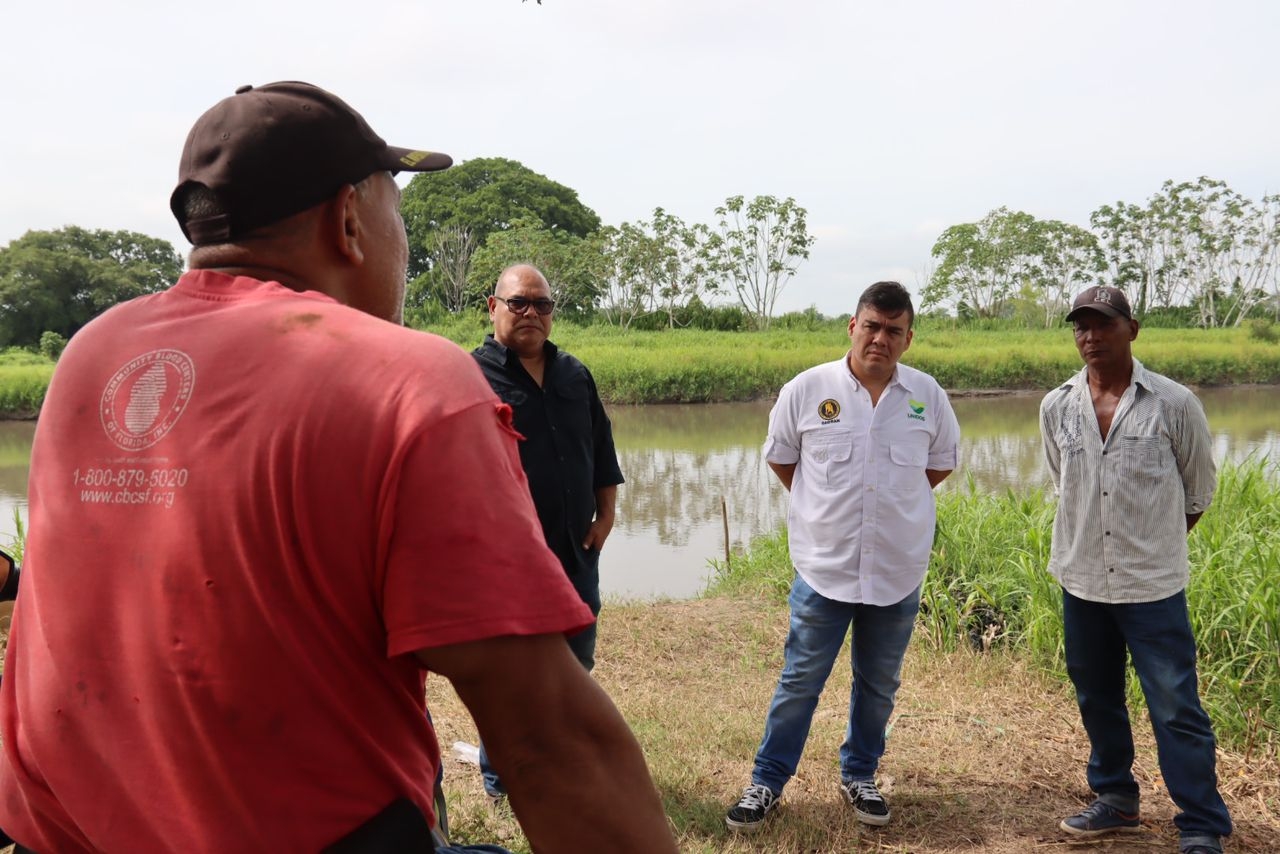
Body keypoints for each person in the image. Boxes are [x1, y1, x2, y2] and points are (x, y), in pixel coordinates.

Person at [0, 81, 675, 854]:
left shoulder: (94, 355)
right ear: (349, 220)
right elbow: (549, 741)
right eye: (399, 211)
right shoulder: (405, 379)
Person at [725, 281, 960, 833]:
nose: (881, 339)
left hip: (896, 571)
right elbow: (784, 462)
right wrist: (823, 508)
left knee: (879, 685)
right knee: (800, 680)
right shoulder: (807, 390)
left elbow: (938, 466)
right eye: (872, 326)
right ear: (852, 327)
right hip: (824, 568)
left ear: (909, 338)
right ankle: (767, 781)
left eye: (894, 331)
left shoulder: (928, 396)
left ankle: (860, 775)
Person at [1041, 285, 1231, 854]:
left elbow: (1197, 494)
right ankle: (1117, 800)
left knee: (1175, 707)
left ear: (1133, 329)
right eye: (1081, 326)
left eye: (1103, 324)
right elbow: (1064, 485)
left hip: (1152, 588)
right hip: (1081, 581)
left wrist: (1146, 549)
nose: (1091, 336)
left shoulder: (1174, 403)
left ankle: (1200, 824)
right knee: (1096, 697)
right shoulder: (1057, 405)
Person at [470, 263, 624, 801]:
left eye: (542, 304)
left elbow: (600, 448)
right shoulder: (471, 377)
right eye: (519, 303)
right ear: (493, 307)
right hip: (508, 561)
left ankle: (560, 760)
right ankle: (499, 778)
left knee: (577, 661)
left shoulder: (574, 374)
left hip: (576, 550)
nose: (532, 313)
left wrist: (606, 515)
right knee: (509, 676)